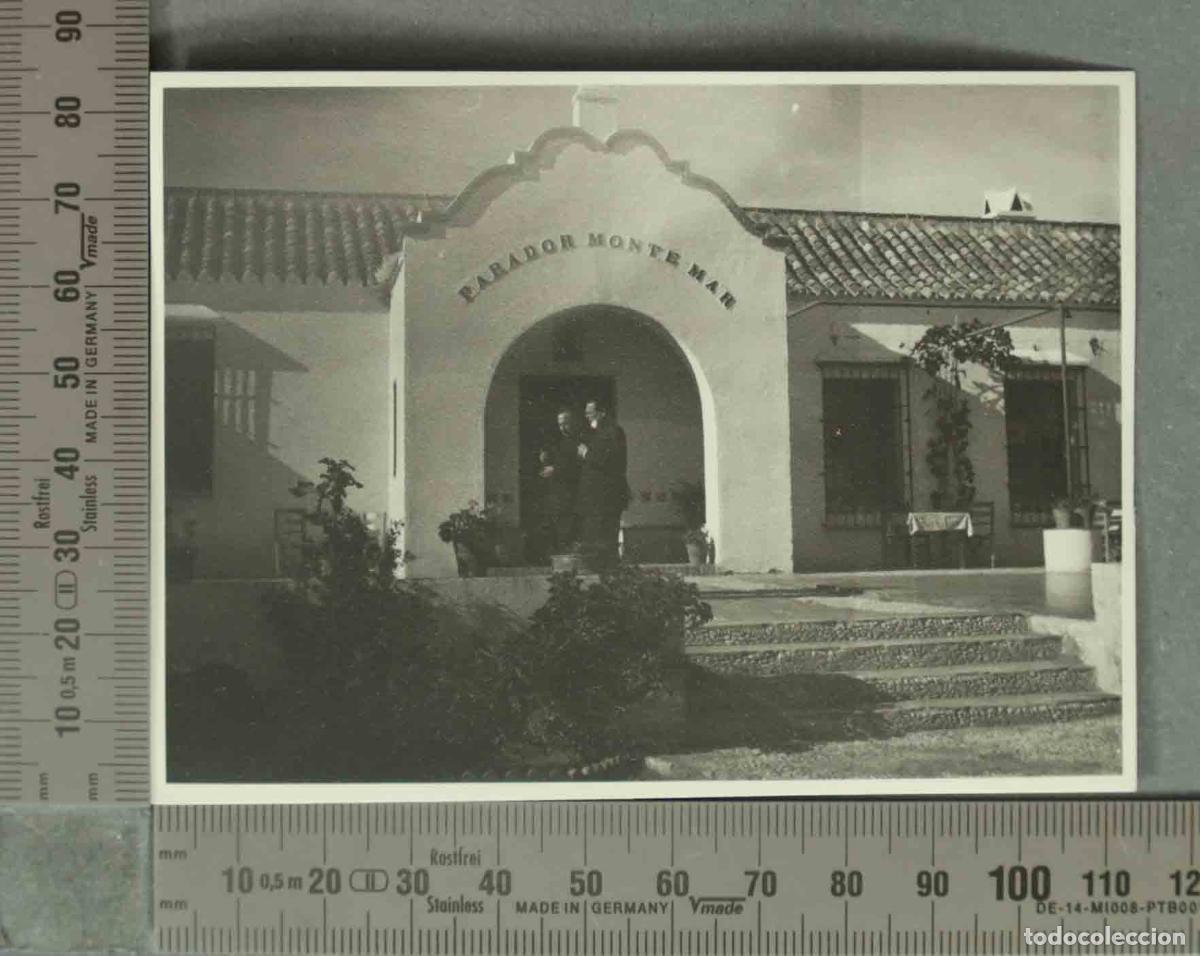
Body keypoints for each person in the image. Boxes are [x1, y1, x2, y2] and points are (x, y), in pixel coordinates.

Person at [576, 398, 631, 567]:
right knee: (596, 536)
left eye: (590, 413)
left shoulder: (613, 432)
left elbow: (612, 461)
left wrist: (587, 454)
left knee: (607, 537)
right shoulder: (595, 433)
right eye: (586, 413)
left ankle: (609, 569)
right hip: (595, 496)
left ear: (602, 413)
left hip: (608, 495)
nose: (587, 417)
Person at [538, 408, 582, 555]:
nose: (562, 428)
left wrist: (555, 470)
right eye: (560, 424)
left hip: (575, 495)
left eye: (566, 424)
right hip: (559, 496)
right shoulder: (558, 442)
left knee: (571, 531)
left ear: (574, 423)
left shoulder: (580, 440)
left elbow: (578, 466)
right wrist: (545, 459)